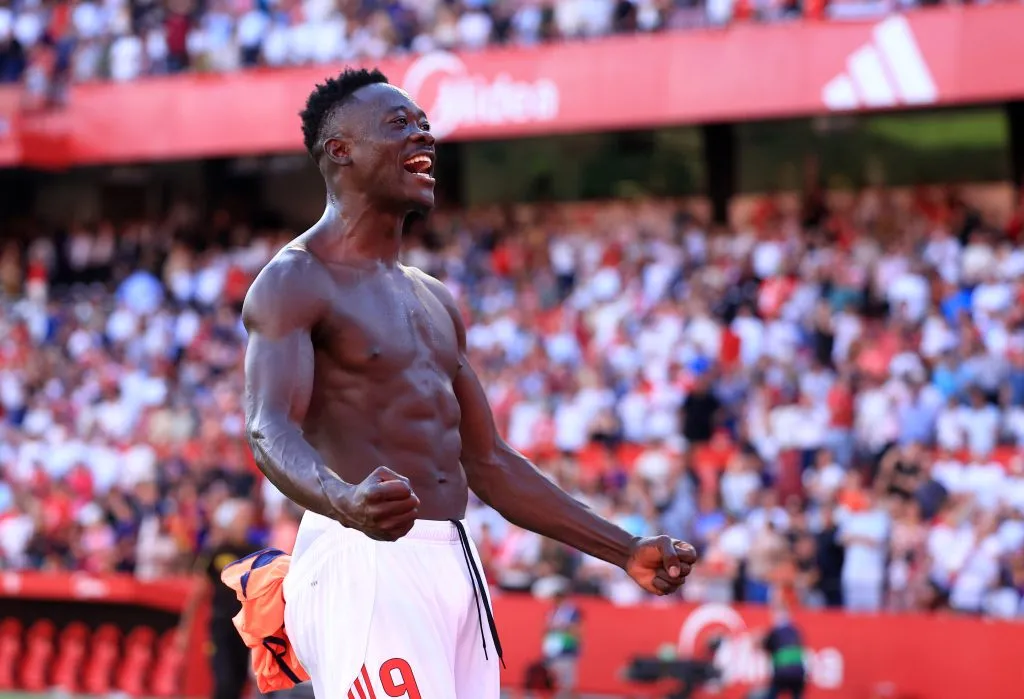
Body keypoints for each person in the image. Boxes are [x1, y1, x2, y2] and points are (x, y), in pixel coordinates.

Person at [240, 68, 698, 699]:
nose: (422, 132)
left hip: (456, 557)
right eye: (398, 123)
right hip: (366, 557)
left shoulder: (433, 299)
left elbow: (487, 461)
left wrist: (622, 548)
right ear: (339, 151)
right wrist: (344, 500)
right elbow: (268, 427)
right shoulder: (295, 279)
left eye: (425, 122)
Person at [178, 499, 260, 699]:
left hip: (246, 629)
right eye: (240, 518)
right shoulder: (216, 552)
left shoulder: (257, 552)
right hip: (221, 627)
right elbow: (198, 592)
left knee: (242, 682)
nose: (244, 523)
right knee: (224, 682)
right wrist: (184, 629)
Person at [759, 603, 806, 699]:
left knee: (771, 695)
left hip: (782, 673)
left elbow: (765, 645)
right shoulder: (796, 630)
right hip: (799, 674)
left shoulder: (775, 632)